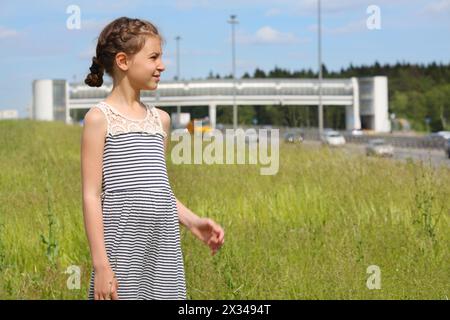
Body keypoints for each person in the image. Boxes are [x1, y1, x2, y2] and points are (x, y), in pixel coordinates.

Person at [80, 16, 224, 300]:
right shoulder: (99, 119)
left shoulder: (161, 120)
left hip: (162, 248)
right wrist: (101, 265)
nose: (162, 65)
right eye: (154, 57)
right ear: (123, 61)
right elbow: (91, 195)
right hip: (121, 248)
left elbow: (159, 189)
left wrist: (193, 222)